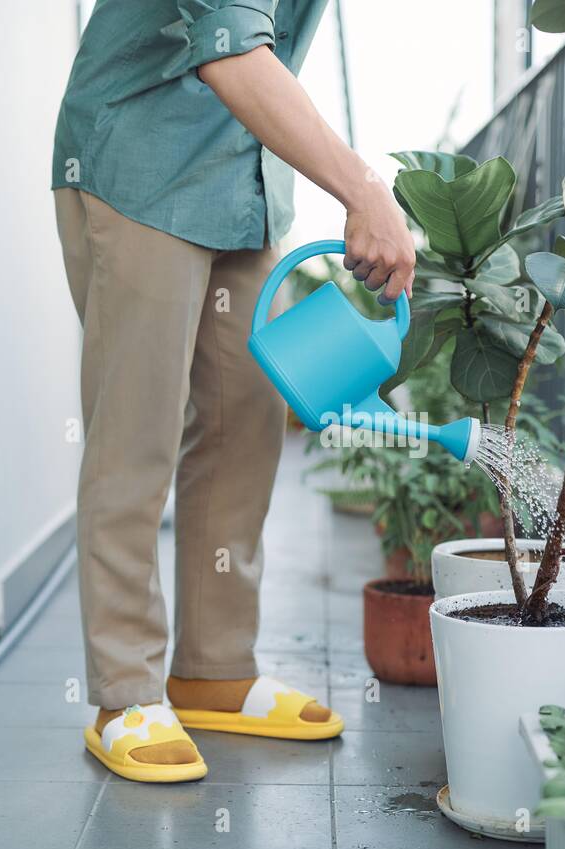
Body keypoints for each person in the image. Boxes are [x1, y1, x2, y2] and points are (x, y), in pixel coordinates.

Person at [51, 0, 415, 781]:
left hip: (239, 186)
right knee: (135, 431)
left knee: (244, 425)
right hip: (138, 167)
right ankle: (126, 691)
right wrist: (364, 190)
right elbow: (229, 51)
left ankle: (214, 667)